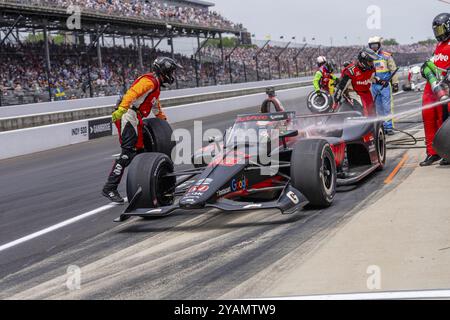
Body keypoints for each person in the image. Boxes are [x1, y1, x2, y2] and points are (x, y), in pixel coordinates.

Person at [102, 57, 182, 203]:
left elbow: (155, 104)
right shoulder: (149, 82)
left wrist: (162, 120)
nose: (172, 75)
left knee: (140, 153)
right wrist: (121, 110)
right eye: (171, 71)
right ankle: (110, 188)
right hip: (128, 115)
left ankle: (146, 185)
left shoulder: (155, 84)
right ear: (164, 71)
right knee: (128, 154)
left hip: (135, 117)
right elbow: (131, 94)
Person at [419, 13, 450, 167]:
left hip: (447, 87)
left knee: (445, 119)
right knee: (429, 116)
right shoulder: (439, 45)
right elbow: (434, 61)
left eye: (440, 30)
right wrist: (425, 68)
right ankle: (433, 152)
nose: (439, 34)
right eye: (436, 31)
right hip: (436, 86)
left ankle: (447, 152)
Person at [368, 36, 400, 135]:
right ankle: (382, 126)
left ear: (379, 45)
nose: (374, 47)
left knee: (387, 107)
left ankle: (389, 127)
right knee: (378, 108)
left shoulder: (386, 56)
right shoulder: (368, 57)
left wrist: (395, 83)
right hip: (374, 85)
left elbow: (393, 69)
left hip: (385, 85)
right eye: (371, 45)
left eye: (375, 45)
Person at [334, 48, 379, 117]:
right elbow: (341, 87)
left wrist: (380, 81)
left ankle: (373, 126)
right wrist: (336, 101)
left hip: (366, 92)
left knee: (372, 112)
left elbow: (371, 79)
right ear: (363, 60)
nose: (371, 63)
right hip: (354, 93)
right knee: (363, 112)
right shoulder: (350, 71)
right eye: (370, 61)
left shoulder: (371, 69)